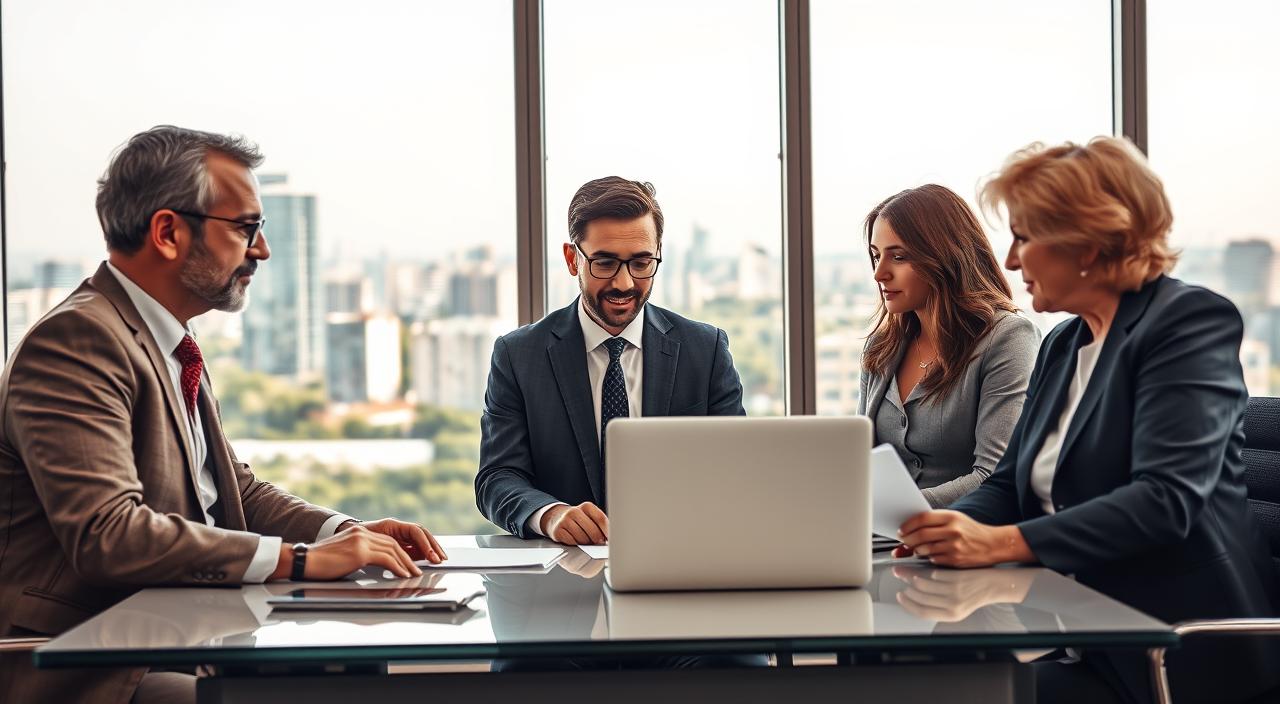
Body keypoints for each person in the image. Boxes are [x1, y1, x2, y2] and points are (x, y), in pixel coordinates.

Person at [0, 126, 447, 704]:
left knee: (356, 670)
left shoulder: (167, 339)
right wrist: (302, 561)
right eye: (247, 228)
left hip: (173, 629)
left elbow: (233, 489)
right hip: (90, 661)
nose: (260, 250)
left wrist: (344, 532)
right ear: (167, 232)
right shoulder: (78, 339)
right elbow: (108, 535)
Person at [895, 137, 1280, 704]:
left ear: (1088, 242)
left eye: (1024, 237)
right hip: (1078, 634)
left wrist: (1001, 541)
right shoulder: (1064, 342)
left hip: (1174, 652)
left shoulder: (1188, 324)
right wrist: (942, 533)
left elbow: (1166, 499)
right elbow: (1007, 481)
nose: (1010, 260)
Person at [475, 176, 745, 544]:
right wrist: (549, 515)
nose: (624, 283)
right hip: (561, 578)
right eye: (604, 263)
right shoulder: (519, 356)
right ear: (573, 259)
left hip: (680, 563)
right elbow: (497, 477)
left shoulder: (706, 350)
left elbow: (735, 471)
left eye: (641, 263)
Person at [858, 184, 1039, 507]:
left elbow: (993, 475)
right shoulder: (880, 348)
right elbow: (864, 463)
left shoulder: (1008, 338)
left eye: (898, 257)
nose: (879, 274)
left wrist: (886, 510)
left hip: (964, 539)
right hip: (882, 537)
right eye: (875, 256)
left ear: (943, 256)